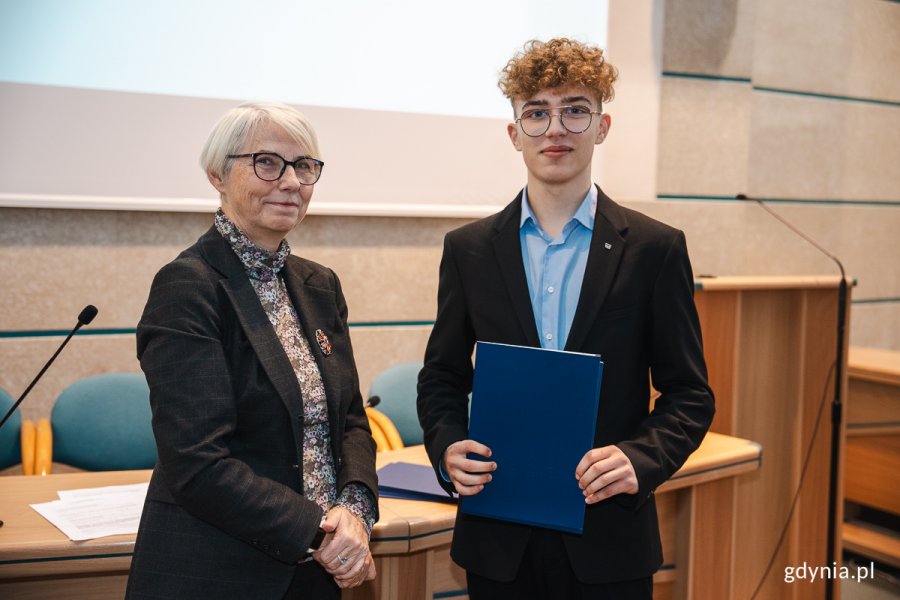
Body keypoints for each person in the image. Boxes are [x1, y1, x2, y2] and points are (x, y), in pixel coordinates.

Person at [416, 38, 715, 599]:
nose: (555, 128)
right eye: (536, 113)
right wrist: (447, 445)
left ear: (602, 126)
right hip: (497, 535)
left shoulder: (655, 249)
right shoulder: (470, 249)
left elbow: (690, 395)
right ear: (514, 134)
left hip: (609, 536)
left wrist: (639, 458)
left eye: (575, 109)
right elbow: (442, 378)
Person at [126, 102, 377, 600]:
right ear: (218, 174)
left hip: (322, 567)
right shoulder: (188, 286)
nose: (290, 181)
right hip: (220, 571)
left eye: (304, 166)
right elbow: (197, 462)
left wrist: (355, 511)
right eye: (267, 162)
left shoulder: (320, 284)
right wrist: (320, 528)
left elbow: (350, 419)